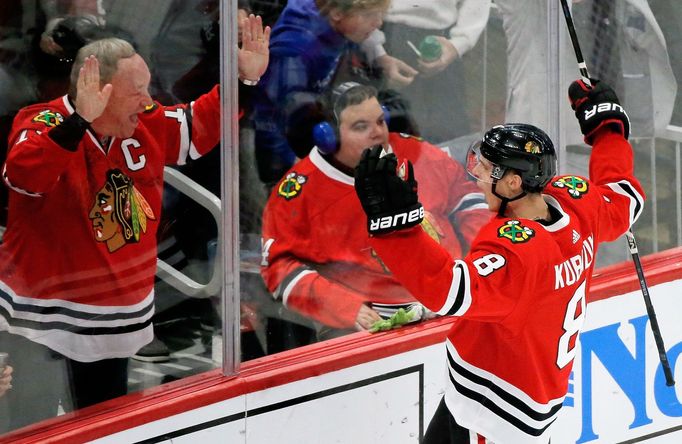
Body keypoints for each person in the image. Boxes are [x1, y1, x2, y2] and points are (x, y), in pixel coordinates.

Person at [0, 15, 269, 432]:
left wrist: (243, 82)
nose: (147, 100)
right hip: (41, 323)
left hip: (116, 322)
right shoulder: (41, 122)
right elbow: (24, 176)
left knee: (105, 431)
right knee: (31, 429)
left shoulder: (145, 123)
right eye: (136, 91)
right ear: (99, 92)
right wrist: (78, 124)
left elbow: (197, 126)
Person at [353, 78, 644, 443]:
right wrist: (608, 131)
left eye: (488, 168)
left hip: (494, 415)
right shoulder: (576, 203)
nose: (476, 175)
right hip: (489, 394)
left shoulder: (519, 251)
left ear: (512, 184)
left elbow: (449, 291)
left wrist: (396, 231)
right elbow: (624, 197)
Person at [260, 82, 490, 340]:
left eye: (381, 121)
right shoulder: (298, 194)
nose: (378, 133)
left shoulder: (413, 151)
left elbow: (467, 196)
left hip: (457, 298)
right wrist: (345, 307)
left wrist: (479, 257)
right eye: (361, 127)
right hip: (374, 324)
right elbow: (278, 267)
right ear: (329, 136)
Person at [252, 0, 390, 186]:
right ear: (337, 13)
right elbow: (270, 118)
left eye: (381, 14)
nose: (378, 23)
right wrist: (289, 171)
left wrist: (381, 61)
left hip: (308, 131)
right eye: (370, 15)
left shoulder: (337, 24)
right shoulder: (295, 49)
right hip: (280, 153)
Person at [361, 0, 491, 143]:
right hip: (386, 33)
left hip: (442, 39)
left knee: (450, 138)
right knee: (386, 138)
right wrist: (374, 48)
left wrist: (459, 43)